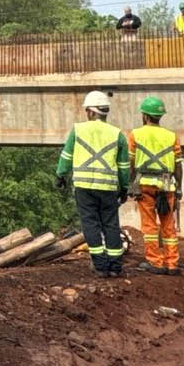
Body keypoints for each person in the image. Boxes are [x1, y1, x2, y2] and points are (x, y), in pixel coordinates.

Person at [55, 90, 130, 277]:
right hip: (108, 188)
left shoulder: (78, 130)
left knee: (90, 225)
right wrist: (124, 187)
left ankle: (100, 266)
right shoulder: (117, 134)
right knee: (111, 224)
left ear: (90, 111)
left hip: (84, 187)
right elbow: (123, 166)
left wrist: (61, 175)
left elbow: (67, 155)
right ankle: (115, 266)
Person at [128, 96, 183, 275]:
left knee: (150, 226)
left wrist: (130, 184)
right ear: (160, 116)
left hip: (145, 185)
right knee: (168, 225)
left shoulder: (135, 134)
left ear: (145, 116)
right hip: (167, 186)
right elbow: (178, 165)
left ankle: (155, 262)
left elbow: (130, 162)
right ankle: (172, 263)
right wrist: (179, 187)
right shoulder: (172, 136)